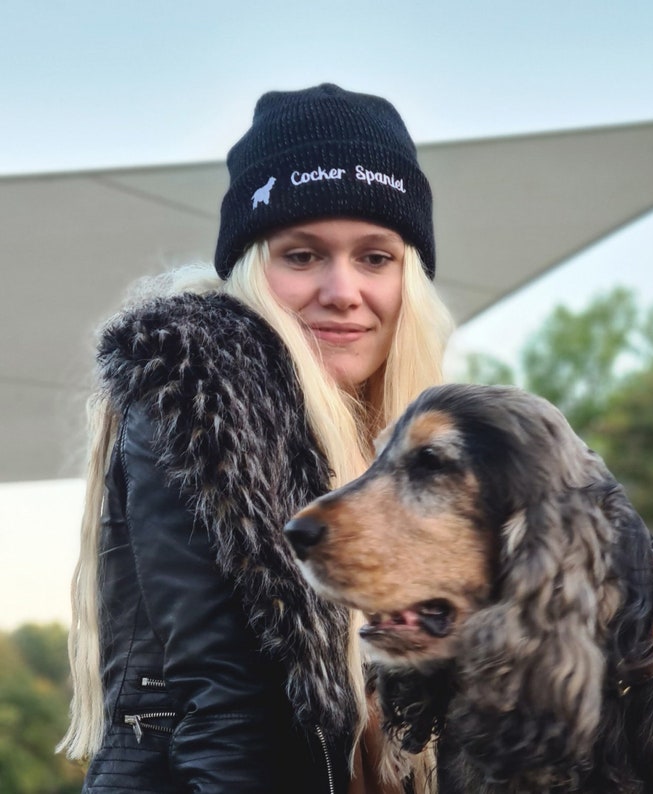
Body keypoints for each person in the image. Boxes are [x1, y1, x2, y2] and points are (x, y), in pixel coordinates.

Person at [58, 83, 454, 793]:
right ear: (251, 269)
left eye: (375, 257)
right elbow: (227, 715)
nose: (342, 289)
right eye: (301, 256)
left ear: (410, 276)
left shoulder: (412, 442)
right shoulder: (200, 396)